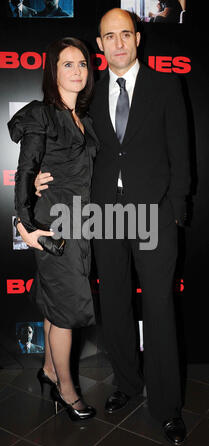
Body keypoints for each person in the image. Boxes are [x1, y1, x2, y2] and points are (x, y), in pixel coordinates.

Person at [34, 8, 190, 444]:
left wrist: (175, 209)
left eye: (126, 33)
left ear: (138, 38)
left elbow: (181, 151)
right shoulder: (90, 93)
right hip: (104, 214)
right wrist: (41, 176)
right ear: (99, 45)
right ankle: (127, 383)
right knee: (116, 301)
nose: (118, 42)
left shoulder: (166, 85)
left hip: (154, 213)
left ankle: (167, 405)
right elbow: (70, 144)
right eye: (109, 36)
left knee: (158, 307)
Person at [8, 37, 99, 421]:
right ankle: (66, 389)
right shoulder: (42, 115)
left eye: (81, 64)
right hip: (51, 228)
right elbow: (25, 172)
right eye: (67, 64)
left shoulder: (87, 120)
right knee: (65, 312)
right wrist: (26, 226)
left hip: (82, 226)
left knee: (53, 304)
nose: (76, 70)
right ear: (53, 71)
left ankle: (48, 369)